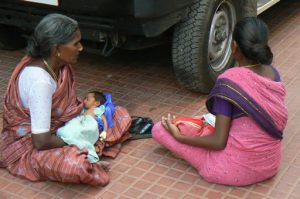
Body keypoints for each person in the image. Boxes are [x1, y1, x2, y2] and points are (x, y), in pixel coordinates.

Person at [152, 17, 288, 186]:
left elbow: (218, 142)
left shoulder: (229, 81)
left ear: (235, 47)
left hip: (230, 169)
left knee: (158, 130)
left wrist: (179, 136)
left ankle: (181, 138)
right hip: (269, 165)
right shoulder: (274, 73)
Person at [0, 13, 131, 186]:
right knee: (76, 166)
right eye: (75, 43)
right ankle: (85, 150)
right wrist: (77, 139)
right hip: (32, 143)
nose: (81, 48)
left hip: (58, 128)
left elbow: (68, 108)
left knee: (118, 115)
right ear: (57, 49)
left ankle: (86, 145)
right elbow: (41, 141)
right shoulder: (40, 82)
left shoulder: (58, 64)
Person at [56, 91, 112, 163]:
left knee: (82, 131)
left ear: (96, 103)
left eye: (87, 99)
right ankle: (69, 135)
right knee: (72, 126)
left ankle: (75, 139)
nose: (84, 101)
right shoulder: (83, 109)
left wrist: (104, 131)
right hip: (81, 122)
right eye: (84, 98)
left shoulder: (96, 110)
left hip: (89, 123)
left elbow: (104, 120)